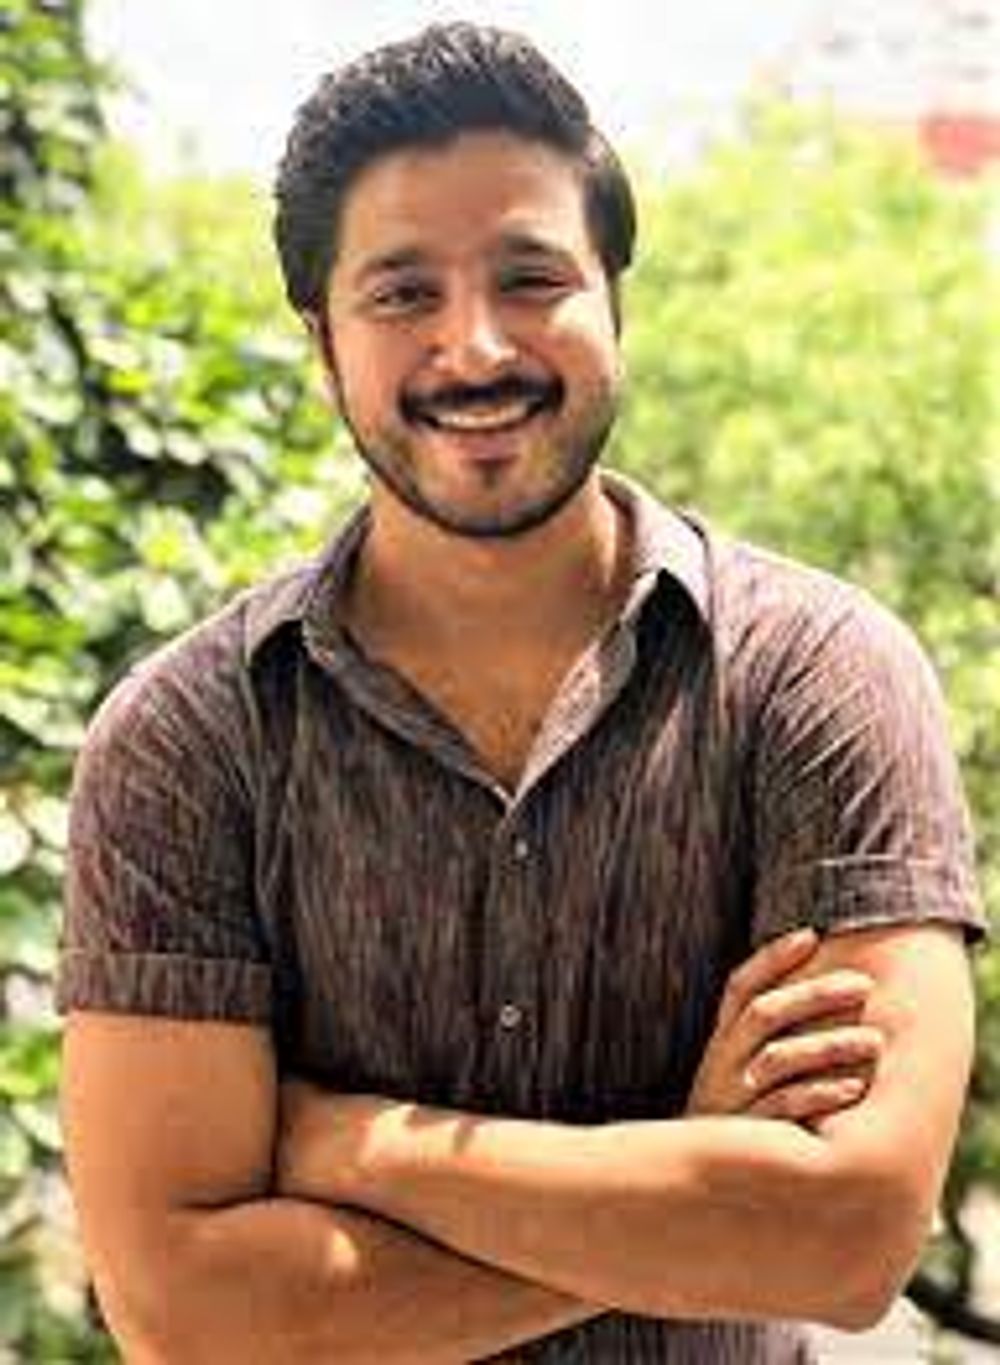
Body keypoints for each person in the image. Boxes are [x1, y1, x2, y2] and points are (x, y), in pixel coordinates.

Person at [58, 21, 984, 1365]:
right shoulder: (189, 740)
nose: (477, 344)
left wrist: (353, 1144)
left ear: (615, 298)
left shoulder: (820, 677)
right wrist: (690, 1189)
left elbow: (845, 1240)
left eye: (531, 276)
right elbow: (189, 1316)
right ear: (323, 342)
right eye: (402, 294)